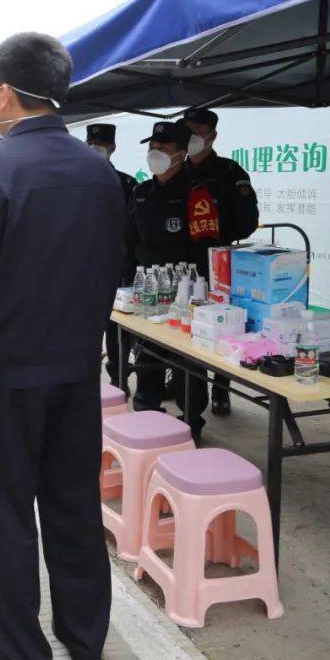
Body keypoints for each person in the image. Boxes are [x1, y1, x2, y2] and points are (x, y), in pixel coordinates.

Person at [0, 33, 121, 660]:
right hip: (74, 371)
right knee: (73, 505)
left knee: (6, 513)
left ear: (5, 94)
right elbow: (117, 267)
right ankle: (84, 638)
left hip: (1, 380)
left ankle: (18, 646)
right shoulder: (102, 173)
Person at [126, 119, 258, 437]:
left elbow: (206, 246)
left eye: (164, 148)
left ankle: (190, 425)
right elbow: (128, 241)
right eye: (152, 147)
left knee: (189, 364)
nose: (155, 152)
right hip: (150, 290)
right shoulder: (141, 192)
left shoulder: (198, 195)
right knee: (148, 360)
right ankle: (147, 418)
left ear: (181, 153)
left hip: (189, 292)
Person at [180, 106, 259, 416]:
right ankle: (189, 392)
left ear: (212, 135)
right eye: (189, 132)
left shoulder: (230, 172)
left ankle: (221, 389)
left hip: (217, 264)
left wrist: (215, 226)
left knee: (222, 325)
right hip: (182, 263)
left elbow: (248, 222)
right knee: (185, 329)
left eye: (198, 132)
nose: (193, 138)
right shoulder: (177, 170)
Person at [87, 123, 138, 396]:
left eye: (101, 143)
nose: (95, 148)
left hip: (118, 267)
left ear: (113, 147)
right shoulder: (73, 179)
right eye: (91, 142)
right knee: (86, 327)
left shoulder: (127, 183)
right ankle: (86, 382)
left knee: (117, 327)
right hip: (83, 268)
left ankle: (119, 379)